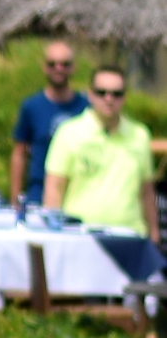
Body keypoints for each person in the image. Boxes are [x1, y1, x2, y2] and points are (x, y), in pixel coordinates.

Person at [43, 65, 160, 238]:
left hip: (130, 235)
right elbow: (54, 188)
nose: (109, 98)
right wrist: (52, 234)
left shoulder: (139, 135)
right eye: (101, 92)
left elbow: (147, 192)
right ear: (90, 94)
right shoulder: (68, 132)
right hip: (79, 234)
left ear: (125, 96)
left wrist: (155, 234)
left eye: (116, 93)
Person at [10, 41, 89, 205]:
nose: (58, 69)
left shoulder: (86, 107)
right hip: (38, 192)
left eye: (64, 64)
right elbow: (19, 154)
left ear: (73, 67)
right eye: (52, 64)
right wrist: (15, 198)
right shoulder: (32, 106)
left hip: (77, 195)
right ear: (44, 67)